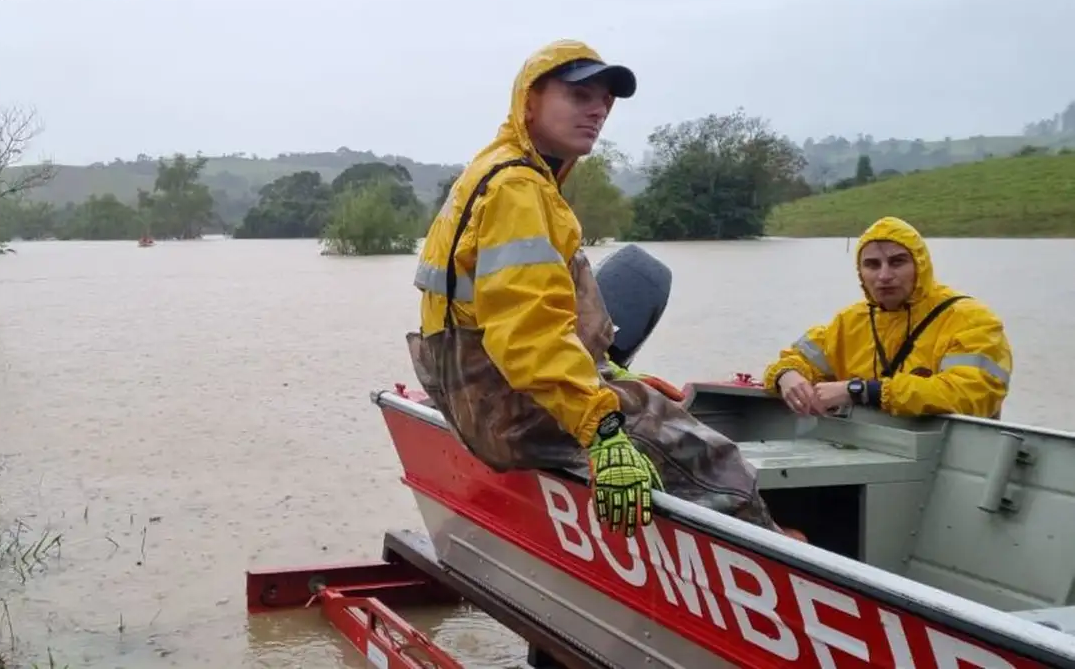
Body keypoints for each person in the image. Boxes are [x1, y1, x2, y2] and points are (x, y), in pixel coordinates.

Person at [406, 39, 781, 539]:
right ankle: (784, 561)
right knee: (717, 462)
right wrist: (602, 429)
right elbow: (528, 333)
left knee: (649, 404)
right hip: (514, 406)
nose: (598, 109)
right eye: (579, 95)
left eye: (605, 99)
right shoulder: (518, 190)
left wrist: (613, 375)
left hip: (485, 392)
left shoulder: (503, 171)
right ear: (530, 101)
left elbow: (526, 310)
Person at [764, 216, 1012, 419]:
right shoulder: (849, 322)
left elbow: (970, 394)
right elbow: (794, 360)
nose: (884, 275)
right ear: (860, 272)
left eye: (897, 262)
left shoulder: (971, 320)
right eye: (872, 265)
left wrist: (861, 391)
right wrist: (787, 376)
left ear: (920, 265)